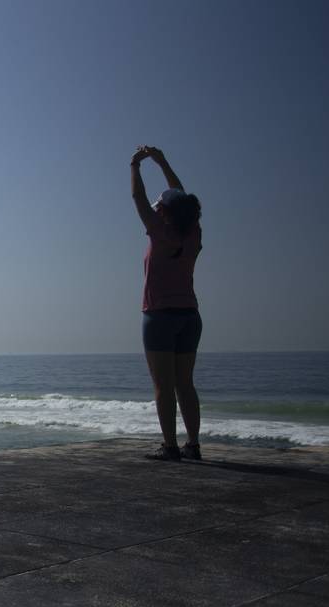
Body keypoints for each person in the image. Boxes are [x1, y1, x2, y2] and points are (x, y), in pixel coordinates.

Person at [130, 145, 204, 461]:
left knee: (163, 386)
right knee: (185, 384)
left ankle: (170, 446)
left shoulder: (160, 232)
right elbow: (180, 196)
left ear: (165, 213)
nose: (156, 207)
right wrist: (162, 162)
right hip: (189, 316)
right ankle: (194, 445)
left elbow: (137, 198)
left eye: (160, 206)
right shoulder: (193, 232)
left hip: (159, 316)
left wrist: (135, 166)